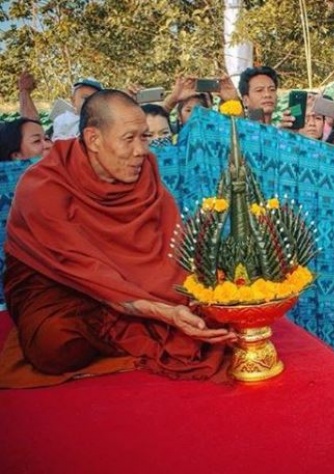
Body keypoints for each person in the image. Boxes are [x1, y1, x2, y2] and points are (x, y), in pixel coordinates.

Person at [3, 89, 236, 383]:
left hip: (134, 279)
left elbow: (171, 244)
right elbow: (84, 270)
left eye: (145, 137)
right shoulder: (43, 187)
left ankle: (127, 321)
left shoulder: (145, 170)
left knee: (215, 312)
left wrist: (199, 291)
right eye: (129, 139)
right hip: (59, 283)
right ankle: (125, 323)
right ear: (93, 139)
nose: (142, 151)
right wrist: (166, 313)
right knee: (54, 345)